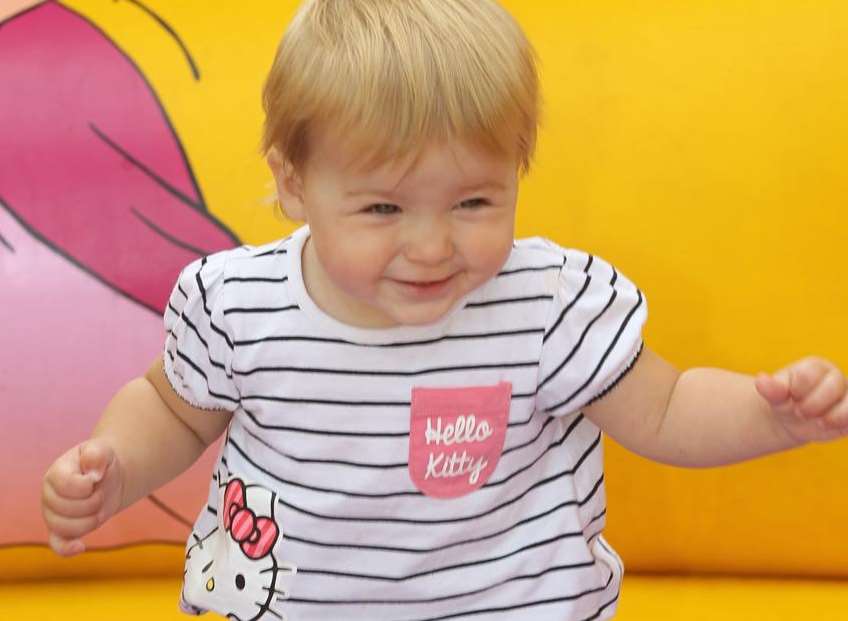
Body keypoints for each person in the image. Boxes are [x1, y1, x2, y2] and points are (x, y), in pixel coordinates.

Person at [41, 1, 848, 619]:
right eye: (384, 210)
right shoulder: (236, 304)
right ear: (294, 184)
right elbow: (172, 411)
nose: (431, 247)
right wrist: (114, 462)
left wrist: (766, 414)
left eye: (473, 200)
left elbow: (667, 410)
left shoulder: (548, 305)